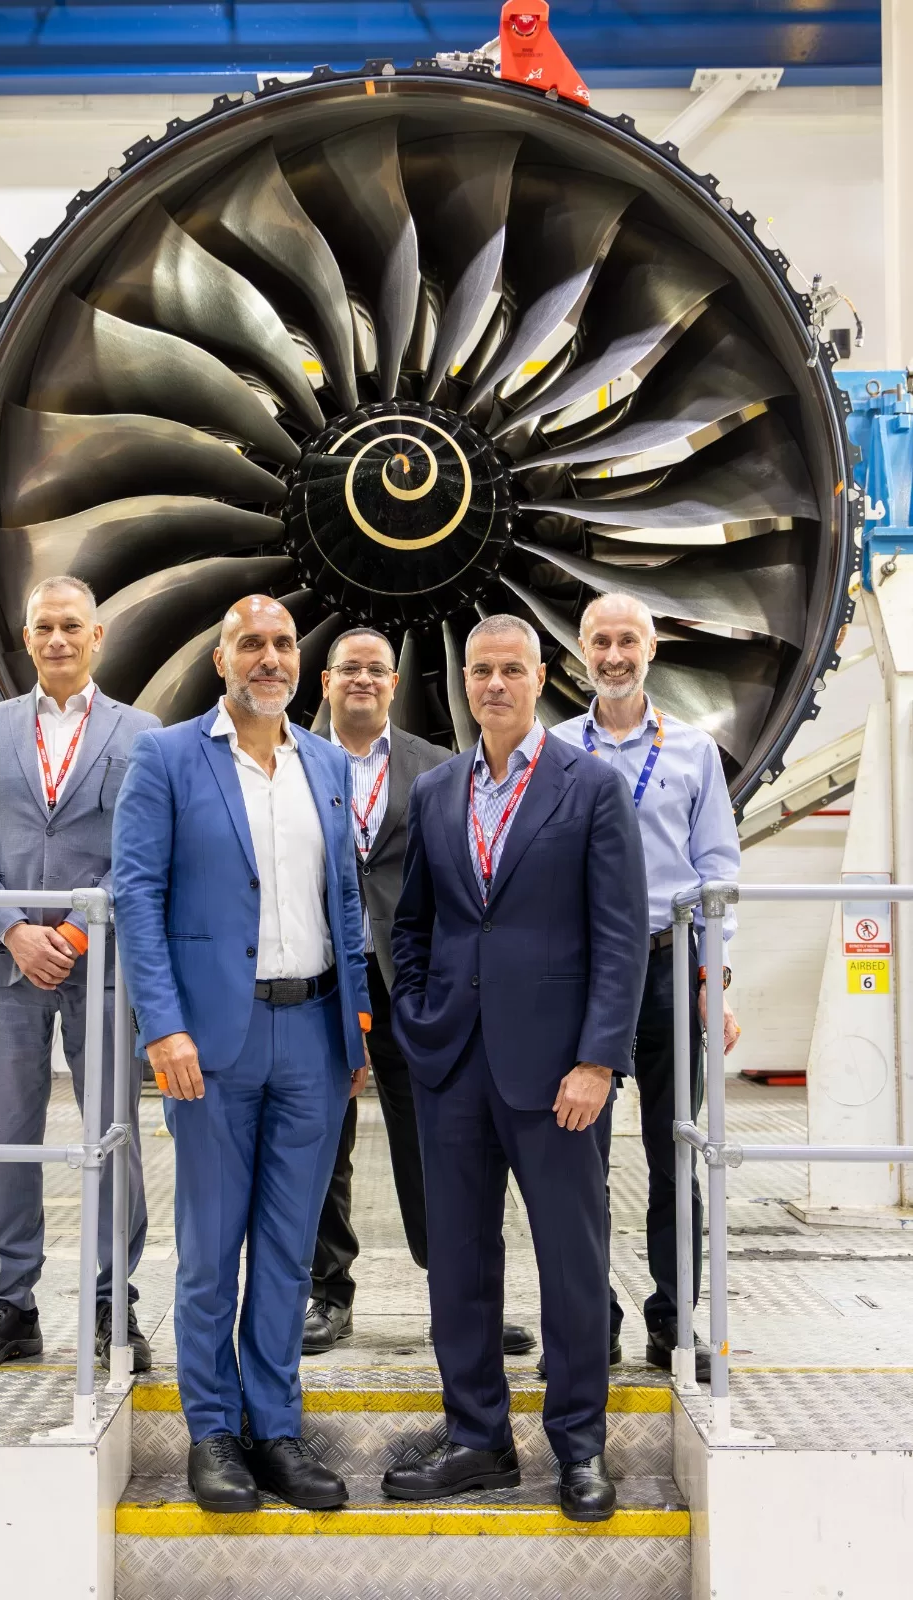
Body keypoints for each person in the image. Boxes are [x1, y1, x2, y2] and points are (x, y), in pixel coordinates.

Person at [381, 614, 648, 1522]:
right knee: (457, 1262)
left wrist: (598, 1060)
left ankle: (579, 1446)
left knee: (572, 1262)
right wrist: (418, 1020)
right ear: (465, 682)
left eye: (510, 669)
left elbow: (621, 937)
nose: (493, 684)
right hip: (453, 1063)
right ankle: (477, 1439)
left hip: (558, 1075)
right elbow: (412, 925)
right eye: (480, 671)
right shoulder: (438, 790)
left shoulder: (592, 787)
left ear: (540, 678)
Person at [112, 595, 371, 1517]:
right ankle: (214, 1431)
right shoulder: (168, 758)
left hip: (314, 1034)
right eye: (251, 644)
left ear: (299, 661)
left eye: (283, 644)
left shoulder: (327, 764)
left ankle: (276, 1429)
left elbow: (346, 901)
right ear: (221, 659)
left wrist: (357, 1027)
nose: (270, 657)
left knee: (290, 1252)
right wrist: (162, 1026)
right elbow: (136, 895)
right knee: (211, 1249)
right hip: (210, 1041)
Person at [0, 575, 156, 1376]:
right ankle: (11, 1303)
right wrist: (14, 932)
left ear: (97, 636)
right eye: (43, 628)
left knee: (113, 1135)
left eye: (71, 626)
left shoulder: (142, 733)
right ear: (26, 638)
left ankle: (111, 1300)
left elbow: (142, 853)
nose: (57, 639)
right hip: (6, 966)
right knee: (10, 1137)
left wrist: (69, 932)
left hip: (101, 965)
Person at [304, 627, 536, 1359]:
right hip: (322, 975)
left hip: (412, 980)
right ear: (326, 682)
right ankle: (328, 1294)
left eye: (376, 669)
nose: (363, 680)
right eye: (349, 669)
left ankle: (456, 1301)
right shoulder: (292, 759)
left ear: (395, 683)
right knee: (322, 1140)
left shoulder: (436, 767)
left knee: (437, 1142)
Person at [552, 592, 741, 1382]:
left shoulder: (694, 752)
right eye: (601, 641)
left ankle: (674, 1321)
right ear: (582, 650)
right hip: (584, 973)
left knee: (676, 1153)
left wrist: (712, 979)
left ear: (652, 648)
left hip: (667, 964)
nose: (614, 655)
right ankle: (589, 1322)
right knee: (576, 1159)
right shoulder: (556, 749)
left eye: (628, 640)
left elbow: (717, 873)